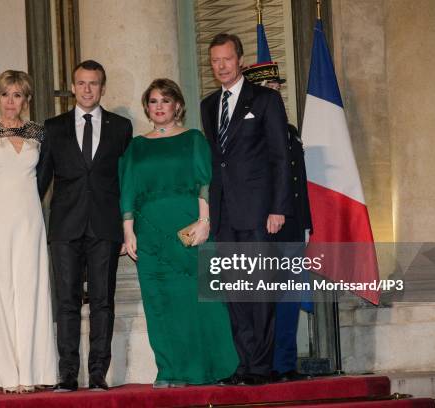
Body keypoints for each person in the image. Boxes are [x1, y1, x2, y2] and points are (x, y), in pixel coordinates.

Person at [120, 78, 238, 388]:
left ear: (177, 106)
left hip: (189, 227)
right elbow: (128, 190)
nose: (159, 107)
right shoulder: (137, 146)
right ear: (147, 107)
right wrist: (128, 231)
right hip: (150, 233)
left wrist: (204, 221)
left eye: (165, 101)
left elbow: (204, 181)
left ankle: (209, 369)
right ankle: (171, 370)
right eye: (154, 101)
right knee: (160, 303)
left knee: (202, 300)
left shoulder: (193, 139)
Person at [200, 33, 291, 385]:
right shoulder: (209, 105)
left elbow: (280, 157)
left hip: (258, 211)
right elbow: (217, 162)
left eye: (226, 59)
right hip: (224, 213)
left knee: (259, 291)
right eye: (214, 61)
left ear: (239, 59)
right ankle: (243, 365)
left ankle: (260, 368)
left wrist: (278, 208)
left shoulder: (265, 100)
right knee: (234, 293)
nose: (221, 66)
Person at [37, 60, 133, 392]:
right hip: (64, 227)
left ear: (102, 88)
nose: (87, 89)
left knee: (103, 302)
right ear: (73, 88)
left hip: (105, 227)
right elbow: (41, 180)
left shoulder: (121, 127)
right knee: (66, 301)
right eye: (81, 83)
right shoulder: (53, 127)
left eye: (93, 83)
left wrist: (127, 225)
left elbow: (127, 180)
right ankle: (67, 374)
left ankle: (97, 374)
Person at [0, 70, 57, 393]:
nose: (10, 101)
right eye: (5, 94)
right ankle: (7, 376)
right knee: (0, 294)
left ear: (26, 100)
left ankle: (30, 373)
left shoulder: (38, 133)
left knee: (31, 293)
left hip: (30, 222)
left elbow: (44, 178)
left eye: (17, 95)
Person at [243, 61, 313, 382]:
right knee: (263, 297)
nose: (276, 92)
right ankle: (263, 362)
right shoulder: (248, 134)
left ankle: (284, 364)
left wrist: (306, 223)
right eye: (269, 88)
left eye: (277, 87)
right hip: (263, 227)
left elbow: (297, 181)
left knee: (289, 297)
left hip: (292, 227)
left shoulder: (290, 133)